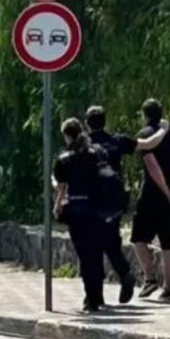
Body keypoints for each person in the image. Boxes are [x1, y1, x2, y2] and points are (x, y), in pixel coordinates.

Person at [84, 105, 167, 304]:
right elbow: (147, 143)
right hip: (113, 202)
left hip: (91, 203)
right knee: (111, 242)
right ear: (105, 121)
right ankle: (124, 274)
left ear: (87, 124)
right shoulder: (117, 141)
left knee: (92, 248)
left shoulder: (83, 145)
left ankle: (94, 296)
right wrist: (163, 129)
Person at [131, 98, 170, 303]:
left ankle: (149, 278)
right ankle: (168, 289)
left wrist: (165, 192)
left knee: (138, 238)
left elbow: (152, 166)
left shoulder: (144, 135)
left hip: (151, 194)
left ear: (144, 115)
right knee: (168, 240)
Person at [52, 117, 113, 313]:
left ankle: (91, 300)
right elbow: (108, 177)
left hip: (77, 209)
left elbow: (61, 187)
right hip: (98, 209)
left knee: (85, 255)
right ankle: (97, 295)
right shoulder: (97, 153)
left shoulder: (64, 159)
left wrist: (57, 206)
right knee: (96, 252)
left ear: (67, 135)